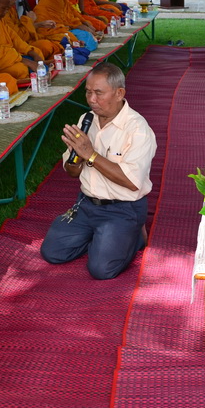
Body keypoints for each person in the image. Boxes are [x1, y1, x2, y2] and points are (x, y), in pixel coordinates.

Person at [40, 62, 156, 280]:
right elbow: (72, 172)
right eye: (88, 92)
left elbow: (132, 182)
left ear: (119, 93)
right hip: (86, 204)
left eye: (99, 93)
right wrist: (75, 159)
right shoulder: (86, 120)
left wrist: (91, 155)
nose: (91, 99)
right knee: (52, 252)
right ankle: (101, 237)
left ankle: (134, 236)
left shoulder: (138, 129)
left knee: (102, 269)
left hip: (123, 208)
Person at [0, 0, 64, 58]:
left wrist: (38, 24)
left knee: (61, 37)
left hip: (23, 42)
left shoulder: (10, 9)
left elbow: (19, 29)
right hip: (14, 48)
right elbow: (18, 37)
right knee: (46, 46)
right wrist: (29, 20)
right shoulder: (1, 14)